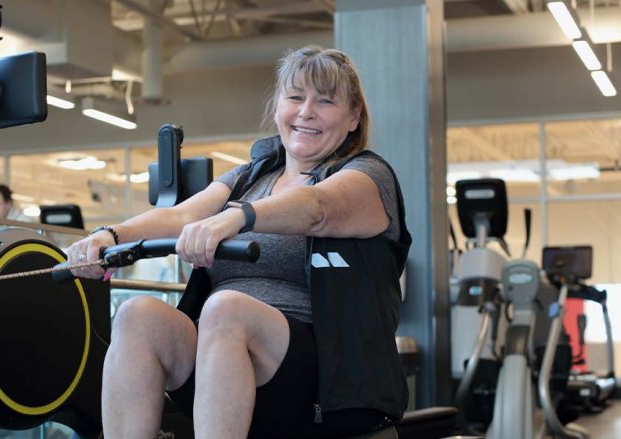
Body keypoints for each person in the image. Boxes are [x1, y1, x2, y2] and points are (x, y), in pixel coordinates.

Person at [66, 46, 412, 438]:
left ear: (353, 118)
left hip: (326, 376)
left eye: (326, 101)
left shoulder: (368, 176)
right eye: (295, 97)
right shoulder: (251, 176)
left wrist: (237, 217)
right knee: (137, 315)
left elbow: (316, 207)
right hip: (221, 358)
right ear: (279, 106)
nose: (306, 111)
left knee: (226, 310)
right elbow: (181, 216)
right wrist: (108, 237)